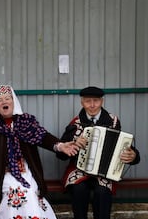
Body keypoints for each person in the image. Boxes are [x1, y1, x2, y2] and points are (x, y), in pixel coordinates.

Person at [0, 84, 77, 219]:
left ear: (14, 102)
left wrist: (59, 146)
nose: (4, 102)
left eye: (8, 98)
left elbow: (42, 137)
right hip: (3, 173)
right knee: (12, 191)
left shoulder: (26, 122)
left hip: (26, 170)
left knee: (30, 191)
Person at [57, 86, 140, 219]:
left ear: (102, 101)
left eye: (96, 101)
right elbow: (60, 155)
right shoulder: (75, 123)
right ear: (82, 102)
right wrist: (73, 144)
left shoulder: (113, 121)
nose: (92, 105)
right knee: (79, 189)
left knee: (102, 191)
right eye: (87, 101)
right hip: (79, 169)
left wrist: (134, 156)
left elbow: (121, 144)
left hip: (104, 172)